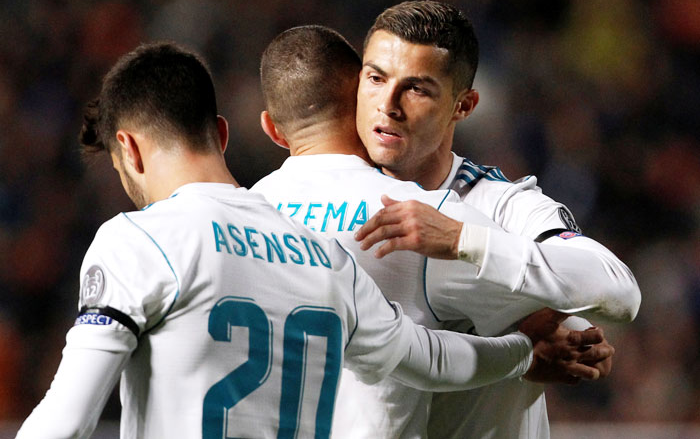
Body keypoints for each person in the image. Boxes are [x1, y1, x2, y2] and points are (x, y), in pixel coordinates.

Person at [14, 43, 601, 439]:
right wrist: (525, 350)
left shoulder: (138, 240)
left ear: (131, 150)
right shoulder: (324, 255)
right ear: (220, 133)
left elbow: (66, 420)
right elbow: (434, 360)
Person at [252, 25, 639, 438]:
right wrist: (537, 346)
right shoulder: (362, 202)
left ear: (463, 105)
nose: (388, 105)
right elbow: (565, 334)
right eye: (376, 79)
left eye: (416, 88)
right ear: (352, 93)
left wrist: (460, 240)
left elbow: (616, 290)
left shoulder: (502, 205)